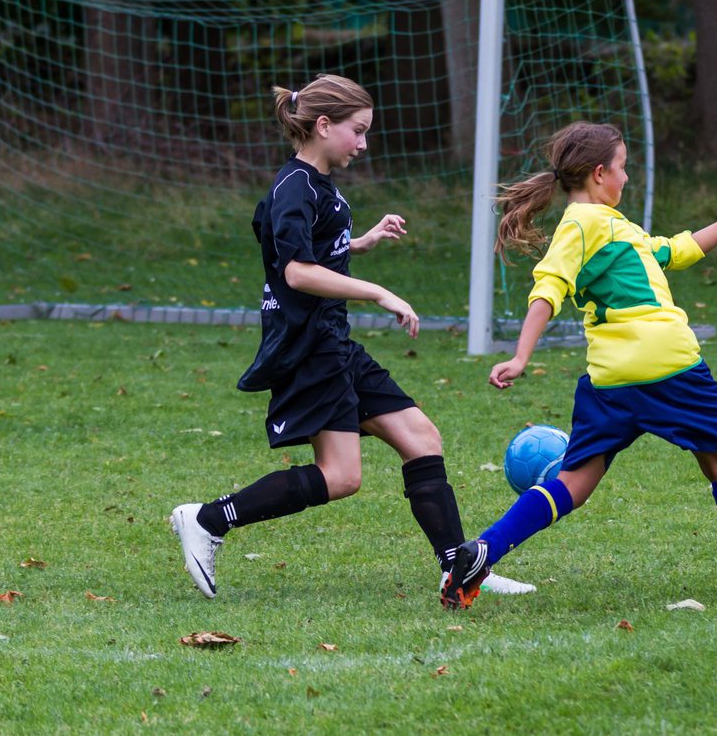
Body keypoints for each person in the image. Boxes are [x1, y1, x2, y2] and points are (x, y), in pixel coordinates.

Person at [170, 74, 533, 604]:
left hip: (332, 342)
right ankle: (206, 519)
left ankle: (458, 568)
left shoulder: (317, 185)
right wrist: (378, 292)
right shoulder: (294, 185)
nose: (363, 144)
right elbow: (295, 271)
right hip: (308, 348)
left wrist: (360, 242)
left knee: (421, 438)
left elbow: (311, 251)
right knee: (340, 477)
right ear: (322, 125)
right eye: (357, 131)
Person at [440, 121, 717, 609]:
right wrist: (521, 354)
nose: (627, 179)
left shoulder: (612, 228)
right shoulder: (585, 221)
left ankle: (483, 551)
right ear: (599, 172)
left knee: (573, 483)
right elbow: (549, 285)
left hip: (609, 379)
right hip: (668, 364)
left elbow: (677, 251)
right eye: (623, 169)